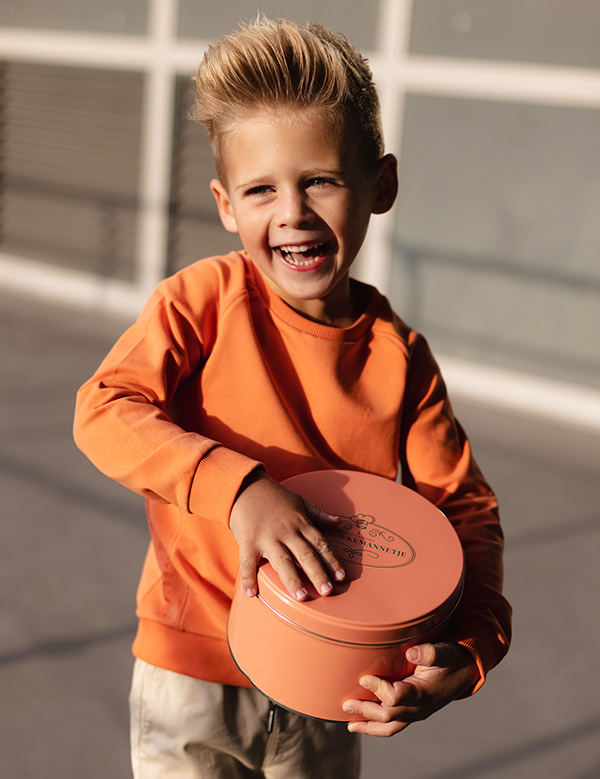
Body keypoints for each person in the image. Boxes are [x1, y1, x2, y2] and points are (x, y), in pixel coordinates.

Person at [73, 16, 511, 778]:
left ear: (382, 185)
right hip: (191, 676)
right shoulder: (201, 301)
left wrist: (470, 646)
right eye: (260, 189)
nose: (293, 212)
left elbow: (464, 511)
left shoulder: (401, 359)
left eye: (320, 180)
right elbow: (106, 408)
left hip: (333, 682)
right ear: (225, 204)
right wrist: (241, 493)